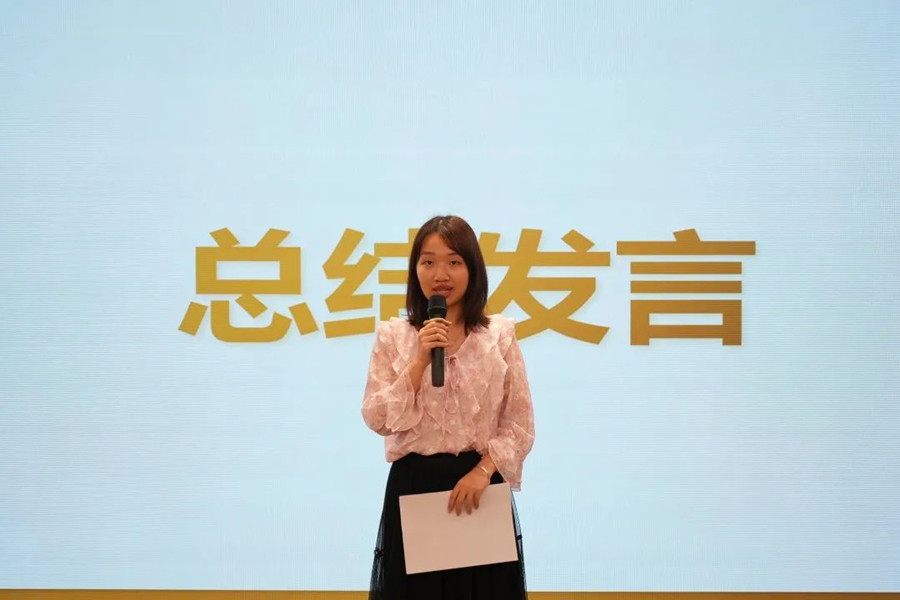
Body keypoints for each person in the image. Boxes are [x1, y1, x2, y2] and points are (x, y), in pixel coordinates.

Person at [362, 215, 535, 600]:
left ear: (473, 269)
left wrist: (483, 472)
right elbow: (377, 416)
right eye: (428, 262)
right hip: (414, 488)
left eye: (454, 262)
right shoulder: (393, 336)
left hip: (478, 488)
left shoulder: (499, 335)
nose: (441, 274)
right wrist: (419, 361)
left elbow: (519, 424)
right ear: (415, 270)